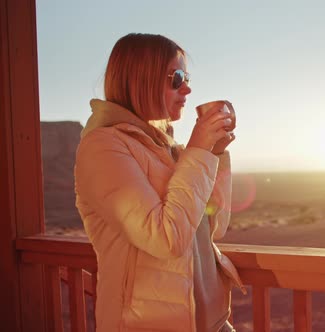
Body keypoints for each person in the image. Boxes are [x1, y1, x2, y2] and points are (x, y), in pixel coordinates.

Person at [74, 33, 243, 332]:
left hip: (210, 323)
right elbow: (166, 238)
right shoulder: (103, 147)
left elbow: (215, 224)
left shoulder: (170, 150)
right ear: (142, 79)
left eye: (186, 77)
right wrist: (200, 151)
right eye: (177, 77)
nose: (187, 88)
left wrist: (214, 153)